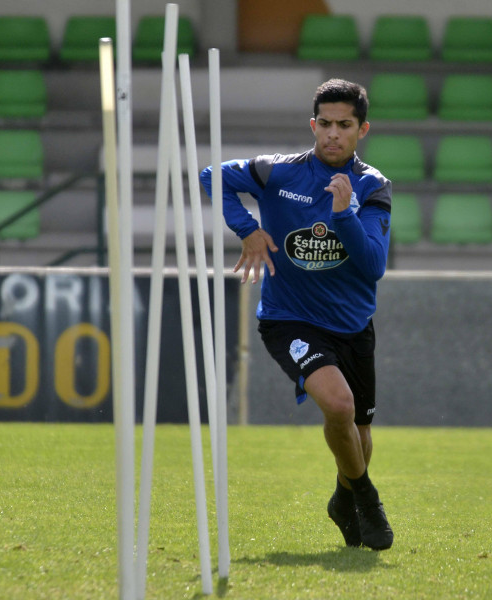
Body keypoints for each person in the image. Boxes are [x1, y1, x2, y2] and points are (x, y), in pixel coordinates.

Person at [200, 78, 394, 551]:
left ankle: (342, 500)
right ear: (312, 124)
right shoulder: (277, 172)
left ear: (362, 129)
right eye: (324, 124)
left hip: (353, 325)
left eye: (344, 125)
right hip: (289, 320)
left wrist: (344, 213)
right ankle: (368, 501)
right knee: (340, 406)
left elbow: (373, 265)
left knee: (360, 436)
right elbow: (211, 177)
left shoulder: (373, 186)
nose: (333, 134)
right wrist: (247, 229)